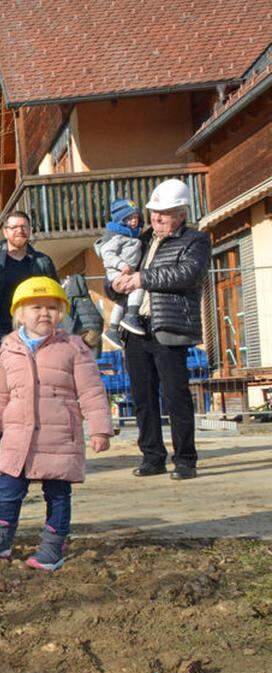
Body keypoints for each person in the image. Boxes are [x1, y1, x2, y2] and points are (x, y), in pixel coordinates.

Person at [0, 277, 112, 571]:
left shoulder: (73, 347)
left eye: (52, 307)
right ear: (20, 314)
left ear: (61, 313)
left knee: (58, 494)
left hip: (59, 436)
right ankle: (1, 538)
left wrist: (100, 428)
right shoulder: (7, 350)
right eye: (36, 307)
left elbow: (91, 390)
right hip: (16, 438)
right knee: (9, 490)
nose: (44, 313)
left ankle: (53, 545)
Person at [110, 179, 210, 481]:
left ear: (181, 213)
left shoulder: (196, 240)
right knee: (142, 396)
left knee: (175, 396)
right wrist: (114, 284)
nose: (157, 218)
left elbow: (188, 274)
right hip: (136, 329)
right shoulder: (140, 239)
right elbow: (123, 274)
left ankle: (185, 460)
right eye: (154, 212)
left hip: (169, 326)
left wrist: (142, 278)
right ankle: (152, 457)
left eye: (164, 213)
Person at [0, 211, 57, 352]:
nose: (20, 231)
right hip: (1, 333)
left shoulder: (43, 262)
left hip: (36, 331)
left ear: (30, 230)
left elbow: (55, 298)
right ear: (5, 232)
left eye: (24, 227)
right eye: (14, 227)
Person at [94, 198, 145, 349]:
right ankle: (132, 316)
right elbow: (107, 253)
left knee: (122, 302)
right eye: (129, 218)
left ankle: (113, 330)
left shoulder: (133, 236)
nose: (134, 221)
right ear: (121, 220)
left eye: (136, 217)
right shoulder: (118, 236)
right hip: (118, 274)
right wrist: (122, 265)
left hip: (125, 273)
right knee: (139, 286)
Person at [61, 274, 105, 356]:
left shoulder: (71, 301)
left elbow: (69, 323)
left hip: (84, 336)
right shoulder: (88, 300)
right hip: (91, 336)